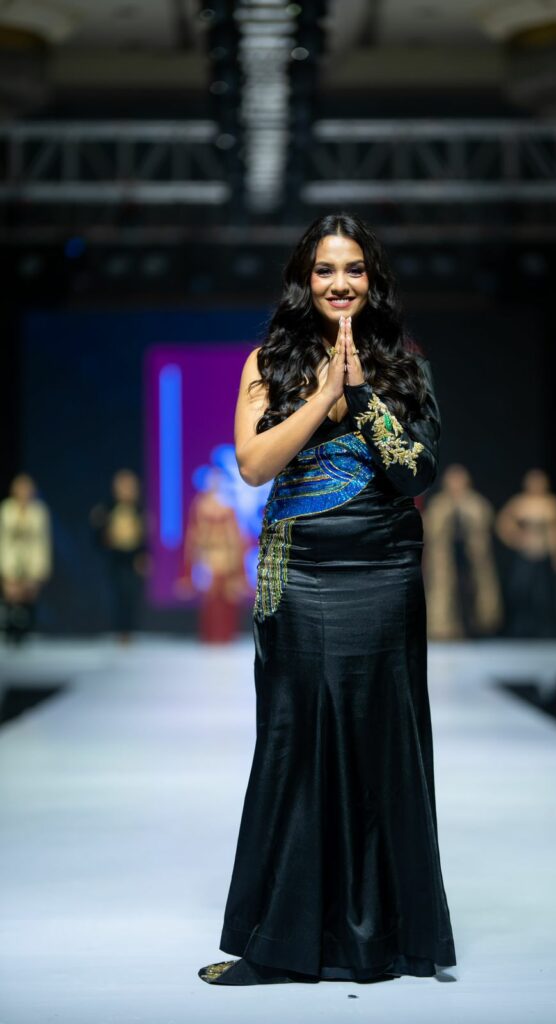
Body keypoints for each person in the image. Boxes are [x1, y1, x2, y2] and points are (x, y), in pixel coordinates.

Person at [198, 212, 456, 986]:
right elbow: (252, 465)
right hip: (300, 572)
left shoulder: (407, 368)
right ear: (303, 280)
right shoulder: (269, 362)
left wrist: (365, 394)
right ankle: (281, 939)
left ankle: (383, 938)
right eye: (324, 269)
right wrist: (321, 397)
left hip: (384, 569)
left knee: (382, 743)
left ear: (372, 279)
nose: (339, 283)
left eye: (353, 269)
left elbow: (414, 473)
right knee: (294, 743)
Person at [496, 469, 556, 638]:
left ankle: (546, 629)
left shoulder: (552, 504)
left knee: (544, 593)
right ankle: (520, 629)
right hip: (526, 554)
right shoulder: (520, 502)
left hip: (545, 554)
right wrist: (516, 538)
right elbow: (503, 523)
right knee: (520, 591)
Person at [423, 464, 501, 639]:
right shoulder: (439, 504)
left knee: (480, 589)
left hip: (471, 555)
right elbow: (431, 529)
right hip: (445, 557)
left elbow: (486, 524)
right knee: (442, 590)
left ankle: (483, 625)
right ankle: (442, 627)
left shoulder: (476, 502)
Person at [177, 469, 248, 643]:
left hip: (226, 555)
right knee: (210, 597)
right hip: (207, 555)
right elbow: (194, 533)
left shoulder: (228, 505)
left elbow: (235, 535)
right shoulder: (200, 504)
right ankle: (210, 635)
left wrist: (235, 553)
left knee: (226, 595)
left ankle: (226, 635)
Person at [90, 470, 146, 643]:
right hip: (115, 558)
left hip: (132, 559)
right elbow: (98, 536)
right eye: (123, 486)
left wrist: (143, 556)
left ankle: (129, 630)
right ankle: (119, 630)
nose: (127, 490)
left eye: (130, 486)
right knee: (118, 594)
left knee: (131, 594)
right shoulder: (107, 509)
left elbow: (144, 537)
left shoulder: (139, 510)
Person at [0, 474, 52, 645]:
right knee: (11, 597)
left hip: (32, 560)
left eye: (27, 488)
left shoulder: (39, 511)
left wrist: (41, 567)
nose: (24, 492)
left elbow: (43, 541)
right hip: (10, 559)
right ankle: (10, 633)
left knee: (28, 597)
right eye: (20, 488)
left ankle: (25, 634)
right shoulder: (6, 509)